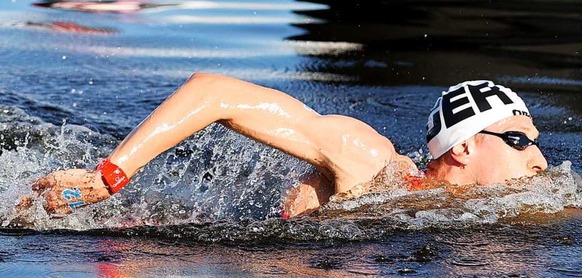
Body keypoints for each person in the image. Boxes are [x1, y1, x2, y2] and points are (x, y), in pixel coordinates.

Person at [23, 73, 548, 218]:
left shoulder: (489, 215)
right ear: (461, 147)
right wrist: (108, 176)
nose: (539, 159)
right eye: (520, 141)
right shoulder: (371, 160)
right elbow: (214, 92)